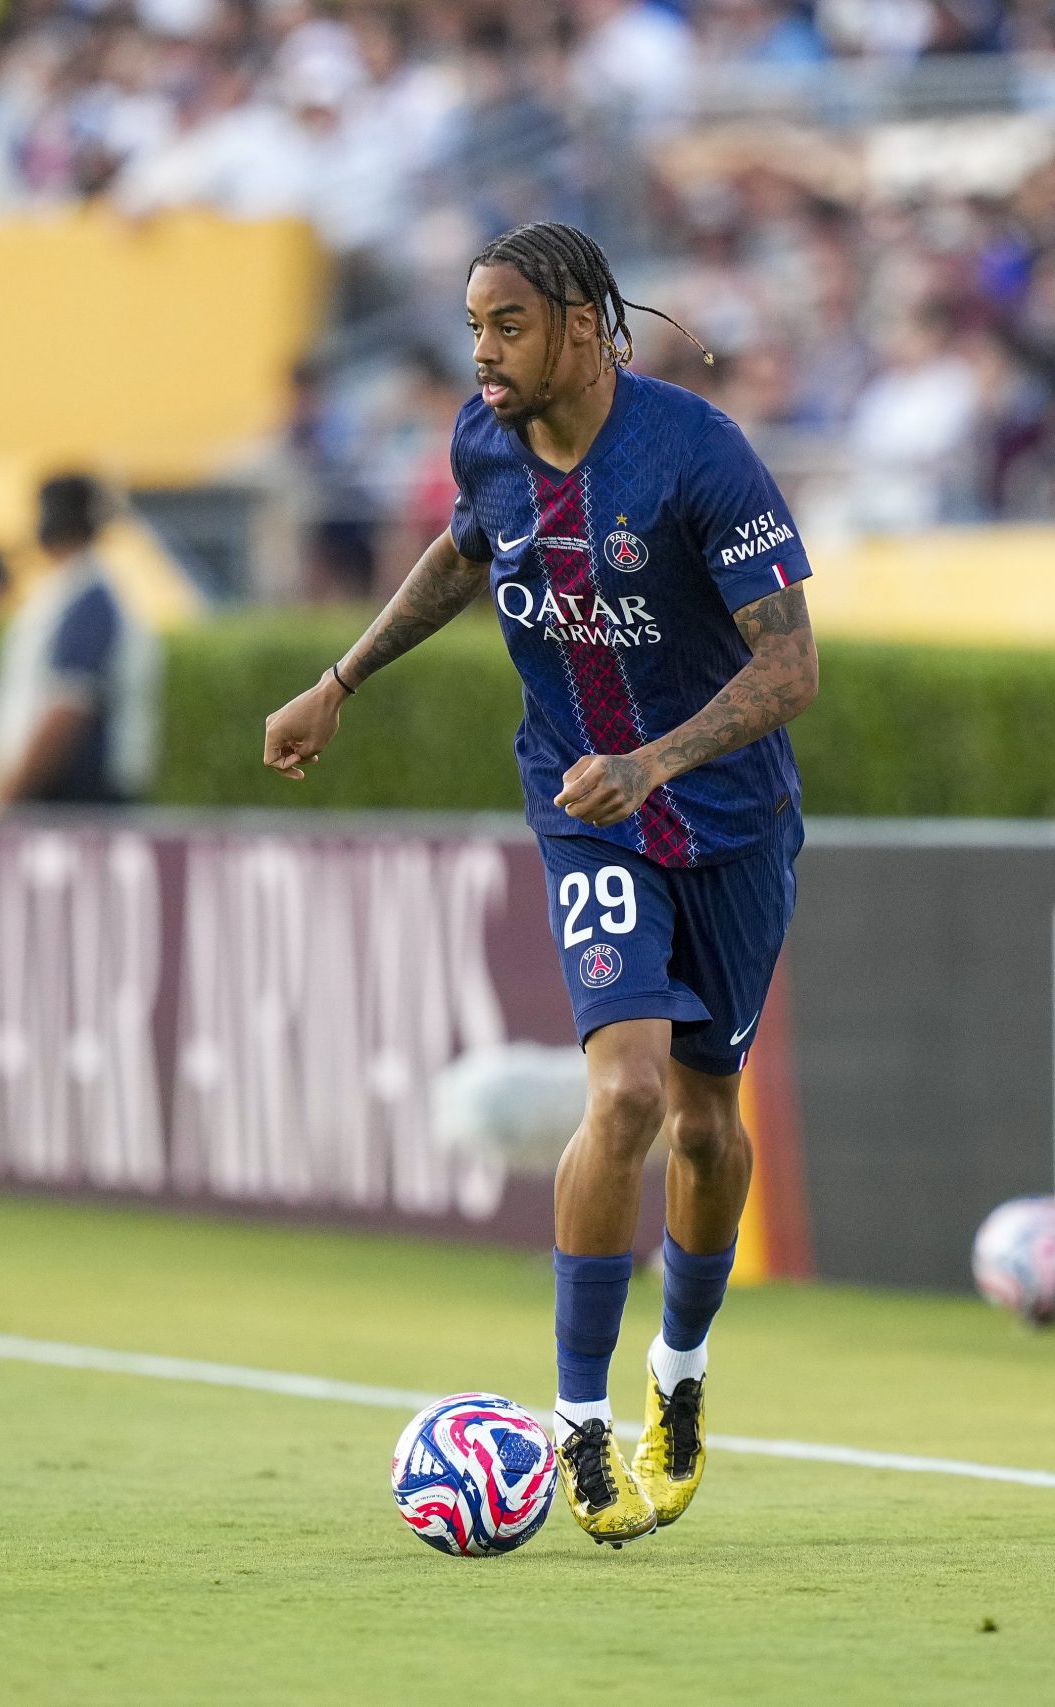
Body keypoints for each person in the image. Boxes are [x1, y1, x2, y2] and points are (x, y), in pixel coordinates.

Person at [263, 222, 819, 1546]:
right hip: (585, 809)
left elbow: (791, 671)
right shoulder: (485, 440)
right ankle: (579, 1425)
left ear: (579, 323)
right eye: (472, 327)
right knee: (621, 1088)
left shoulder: (698, 456)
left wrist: (659, 759)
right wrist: (341, 679)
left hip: (727, 819)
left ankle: (676, 1380)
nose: (484, 353)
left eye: (505, 325)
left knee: (701, 1120)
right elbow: (465, 550)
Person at [0, 474, 162, 811]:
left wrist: (8, 791)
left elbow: (69, 707)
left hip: (75, 801)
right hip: (64, 797)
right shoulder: (78, 590)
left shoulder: (88, 598)